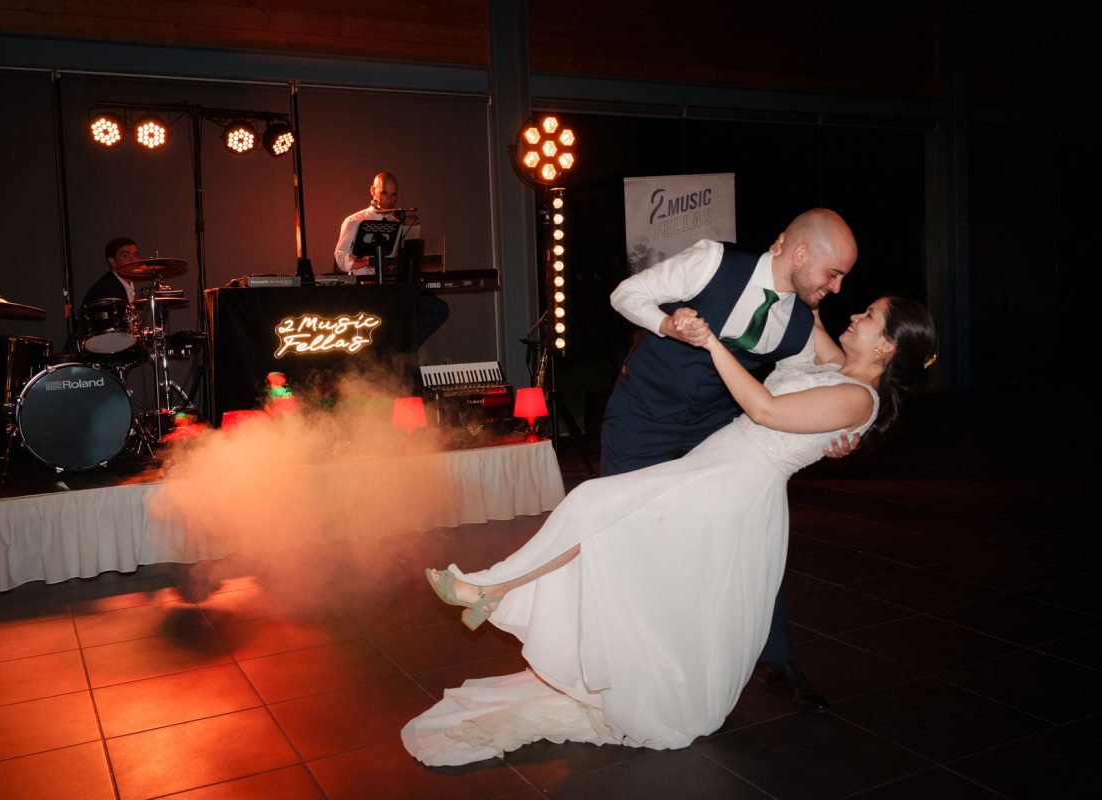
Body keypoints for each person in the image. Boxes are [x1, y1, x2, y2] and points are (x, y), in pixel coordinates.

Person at [406, 296, 937, 765]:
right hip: (715, 466)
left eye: (870, 315)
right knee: (630, 549)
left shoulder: (859, 399)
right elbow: (809, 306)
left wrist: (711, 343)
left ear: (888, 345)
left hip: (735, 487)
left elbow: (766, 408)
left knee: (597, 506)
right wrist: (801, 275)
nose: (856, 314)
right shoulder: (839, 368)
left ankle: (493, 587)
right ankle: (509, 597)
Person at [602, 208, 859, 713]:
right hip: (643, 415)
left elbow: (825, 383)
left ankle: (778, 661)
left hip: (715, 427)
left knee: (747, 535)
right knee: (617, 527)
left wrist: (837, 432)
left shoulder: (799, 322)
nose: (836, 287)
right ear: (800, 253)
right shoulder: (713, 261)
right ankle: (617, 653)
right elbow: (625, 294)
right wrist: (667, 325)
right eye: (833, 274)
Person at [334, 172, 449, 345]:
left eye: (394, 194)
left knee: (438, 308)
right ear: (373, 191)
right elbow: (340, 257)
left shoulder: (395, 223)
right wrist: (360, 262)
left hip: (392, 288)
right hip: (367, 290)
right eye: (384, 193)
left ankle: (405, 346)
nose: (389, 199)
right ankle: (400, 346)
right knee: (385, 321)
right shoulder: (355, 221)